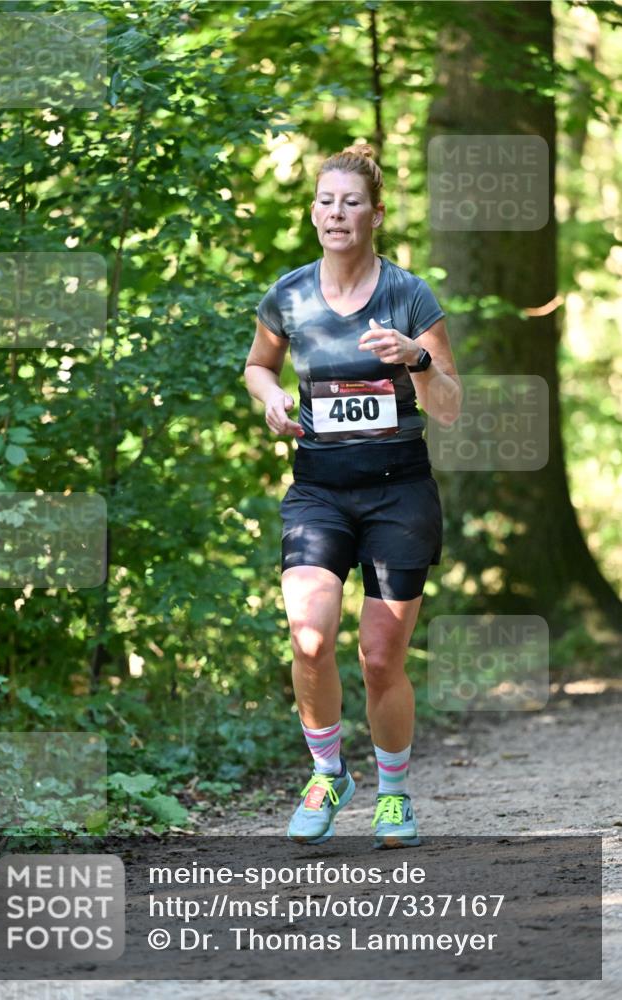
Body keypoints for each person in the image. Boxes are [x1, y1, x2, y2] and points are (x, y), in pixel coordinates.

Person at [244, 143, 461, 848]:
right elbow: (257, 366)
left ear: (376, 214)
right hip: (319, 490)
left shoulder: (409, 295)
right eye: (326, 201)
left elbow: (449, 407)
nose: (336, 213)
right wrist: (272, 396)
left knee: (379, 656)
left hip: (399, 492)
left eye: (351, 202)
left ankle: (393, 794)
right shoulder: (289, 296)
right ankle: (328, 773)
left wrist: (416, 358)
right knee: (309, 638)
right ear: (313, 213)